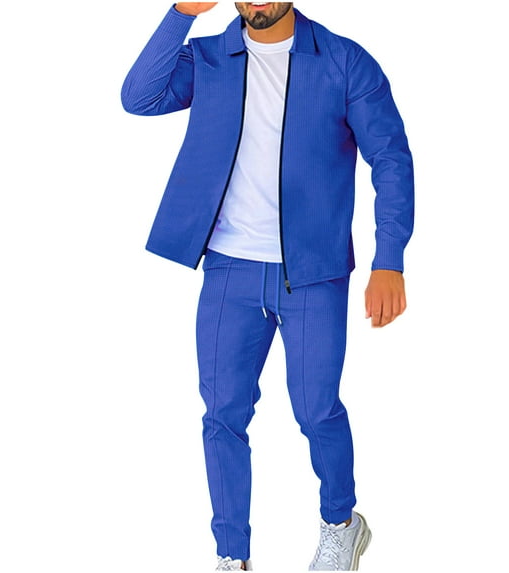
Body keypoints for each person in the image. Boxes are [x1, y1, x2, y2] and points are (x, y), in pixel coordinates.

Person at [121, 2, 414, 570]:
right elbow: (139, 97)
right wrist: (182, 12)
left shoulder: (344, 61)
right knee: (222, 416)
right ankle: (232, 556)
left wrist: (390, 260)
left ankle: (341, 523)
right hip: (228, 270)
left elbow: (390, 158)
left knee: (316, 410)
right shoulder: (209, 58)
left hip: (313, 273)